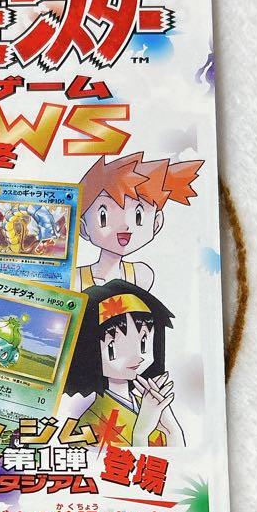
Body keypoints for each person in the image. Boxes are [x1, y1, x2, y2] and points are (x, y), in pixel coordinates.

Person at [62, 280, 186, 447]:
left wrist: (172, 430)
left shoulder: (151, 405)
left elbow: (181, 460)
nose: (137, 356)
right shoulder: (86, 429)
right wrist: (140, 434)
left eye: (143, 342)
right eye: (115, 347)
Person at [74, 151, 203, 291]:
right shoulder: (75, 280)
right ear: (83, 228)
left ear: (156, 223)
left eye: (138, 216)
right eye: (103, 216)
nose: (125, 225)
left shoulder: (141, 276)